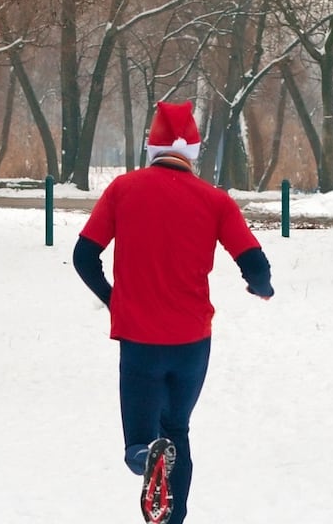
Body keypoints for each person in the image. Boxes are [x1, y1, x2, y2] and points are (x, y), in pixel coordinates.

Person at [72, 100, 274, 524]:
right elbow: (255, 262)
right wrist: (261, 287)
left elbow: (83, 256)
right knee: (177, 429)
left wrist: (115, 299)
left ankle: (143, 453)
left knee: (142, 440)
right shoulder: (215, 201)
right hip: (191, 343)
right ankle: (173, 517)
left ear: (153, 148)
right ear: (194, 153)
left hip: (140, 341)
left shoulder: (123, 190)